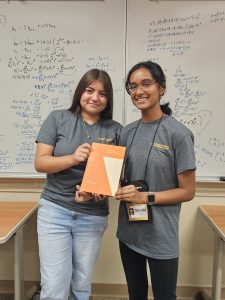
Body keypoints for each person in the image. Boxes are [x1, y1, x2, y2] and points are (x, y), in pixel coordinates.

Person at [35, 68, 122, 300]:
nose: (95, 97)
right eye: (89, 90)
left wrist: (102, 192)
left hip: (92, 215)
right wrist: (72, 158)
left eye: (102, 93)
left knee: (82, 286)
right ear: (80, 92)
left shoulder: (116, 130)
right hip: (54, 211)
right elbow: (41, 163)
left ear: (109, 99)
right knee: (54, 285)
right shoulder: (57, 118)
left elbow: (117, 178)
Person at [115, 60, 196, 300]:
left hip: (161, 236)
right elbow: (119, 178)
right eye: (132, 86)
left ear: (161, 88)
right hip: (129, 233)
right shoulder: (126, 132)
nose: (138, 91)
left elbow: (188, 191)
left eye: (146, 83)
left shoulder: (178, 134)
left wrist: (145, 197)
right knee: (135, 295)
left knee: (164, 296)